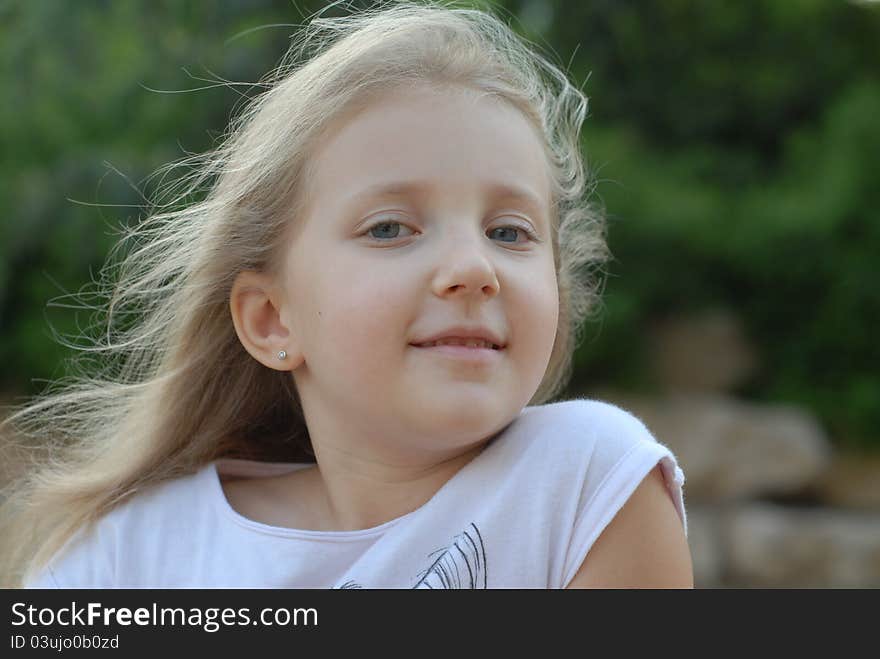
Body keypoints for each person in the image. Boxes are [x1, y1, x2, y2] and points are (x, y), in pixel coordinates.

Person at [1, 0, 692, 588]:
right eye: (391, 227)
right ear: (272, 320)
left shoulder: (589, 483)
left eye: (510, 232)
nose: (474, 267)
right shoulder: (129, 554)